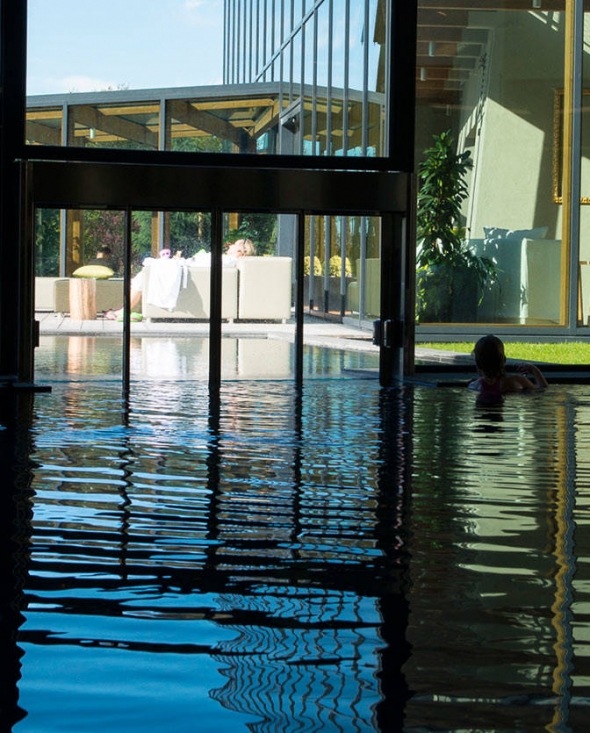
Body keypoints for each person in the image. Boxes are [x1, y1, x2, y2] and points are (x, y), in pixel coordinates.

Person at [469, 334, 548, 401]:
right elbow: (542, 389)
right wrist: (534, 370)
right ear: (504, 360)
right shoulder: (516, 381)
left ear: (478, 364)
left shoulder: (474, 385)